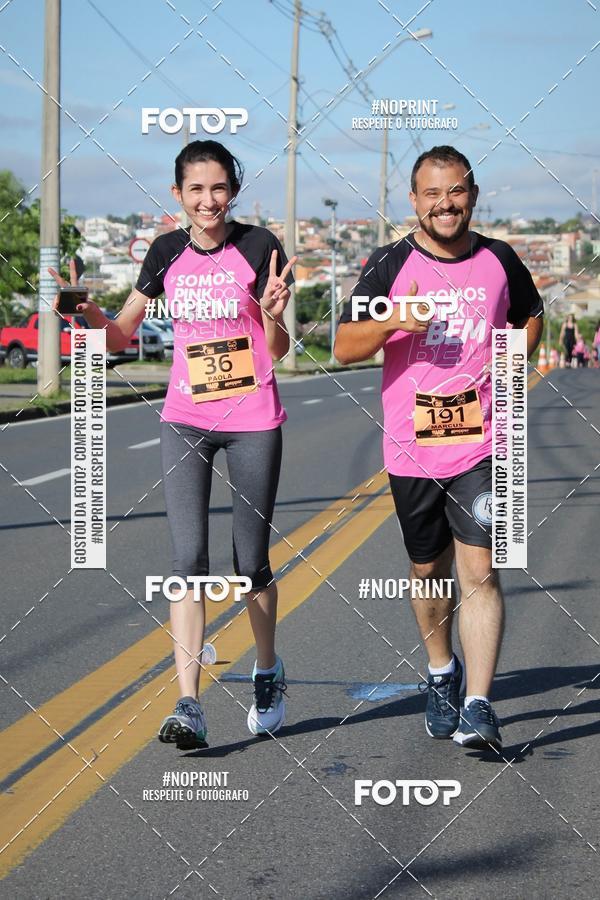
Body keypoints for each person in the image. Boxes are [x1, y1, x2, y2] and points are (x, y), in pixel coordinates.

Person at [51, 140, 296, 750]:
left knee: (251, 562)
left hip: (253, 418)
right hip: (185, 417)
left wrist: (271, 313)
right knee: (187, 562)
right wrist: (85, 311)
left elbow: (280, 349)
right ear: (178, 195)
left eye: (218, 188)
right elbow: (120, 336)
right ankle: (189, 703)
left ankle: (267, 670)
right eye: (195, 190)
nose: (208, 200)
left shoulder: (261, 247)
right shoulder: (164, 253)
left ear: (231, 191)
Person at [335, 145, 543, 751]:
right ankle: (441, 671)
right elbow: (345, 345)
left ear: (472, 196)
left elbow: (532, 317)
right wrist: (395, 321)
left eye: (455, 191)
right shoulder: (390, 263)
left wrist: (513, 354)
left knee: (481, 567)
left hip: (487, 441)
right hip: (413, 448)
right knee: (430, 570)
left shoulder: (501, 259)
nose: (445, 204)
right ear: (415, 202)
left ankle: (480, 703)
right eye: (432, 194)